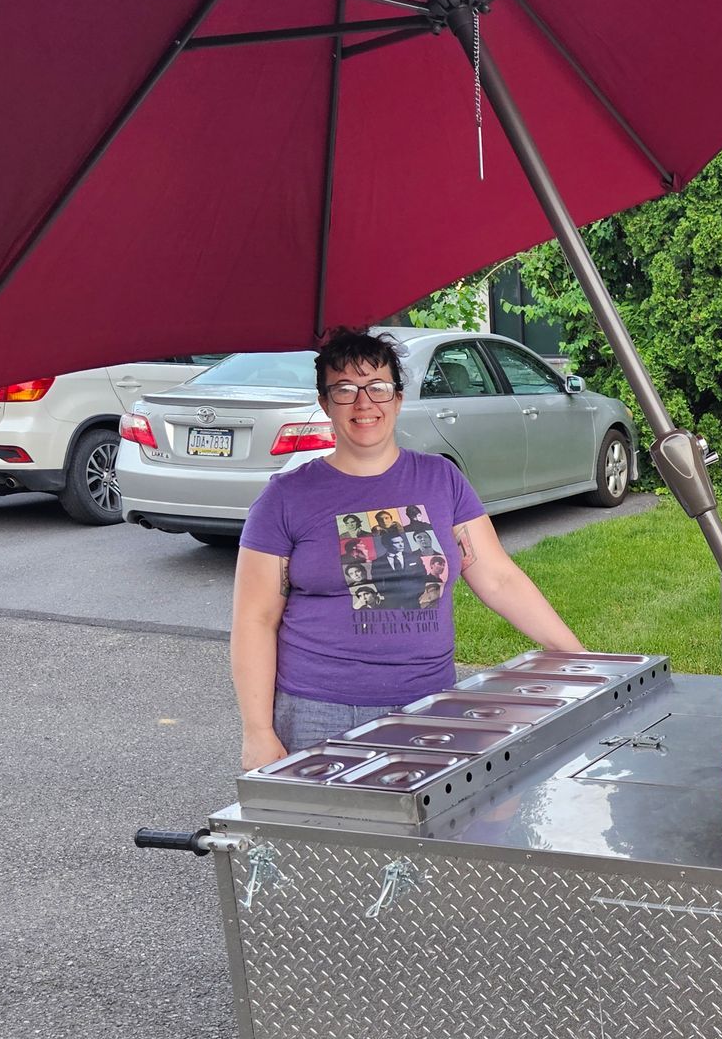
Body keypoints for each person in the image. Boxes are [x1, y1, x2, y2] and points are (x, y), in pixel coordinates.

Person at [230, 327, 583, 769]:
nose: (364, 403)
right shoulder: (285, 498)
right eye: (345, 390)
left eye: (377, 387)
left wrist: (580, 660)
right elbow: (255, 619)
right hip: (317, 712)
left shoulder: (441, 480)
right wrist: (258, 731)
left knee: (421, 836)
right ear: (324, 402)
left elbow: (498, 576)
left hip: (431, 703)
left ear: (398, 398)